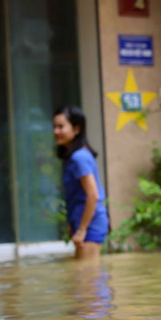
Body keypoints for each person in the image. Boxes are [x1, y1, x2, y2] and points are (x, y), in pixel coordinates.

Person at [53, 105, 109, 259]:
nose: (55, 132)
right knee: (83, 277)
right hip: (85, 223)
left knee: (88, 279)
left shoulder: (79, 157)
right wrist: (75, 225)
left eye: (61, 127)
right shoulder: (73, 157)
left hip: (91, 225)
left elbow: (93, 195)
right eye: (54, 127)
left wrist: (82, 229)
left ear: (76, 129)